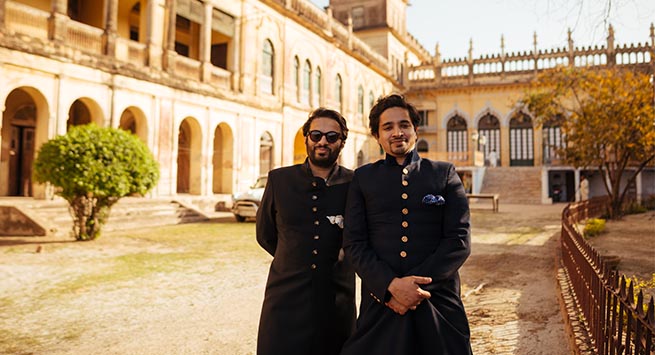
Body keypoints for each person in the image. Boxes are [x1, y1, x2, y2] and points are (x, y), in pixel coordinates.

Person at [341, 94, 472, 355]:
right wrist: (391, 287)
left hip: (437, 301)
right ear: (377, 136)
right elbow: (355, 244)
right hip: (382, 302)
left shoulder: (443, 173)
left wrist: (415, 289)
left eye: (404, 125)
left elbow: (458, 241)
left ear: (415, 129)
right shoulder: (363, 178)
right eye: (387, 127)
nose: (397, 132)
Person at [256, 108, 356, 355]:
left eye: (332, 136)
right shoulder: (279, 180)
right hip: (285, 299)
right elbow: (265, 234)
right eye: (316, 135)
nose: (323, 141)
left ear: (342, 142)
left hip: (336, 301)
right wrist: (294, 258)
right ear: (306, 138)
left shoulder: (355, 184)